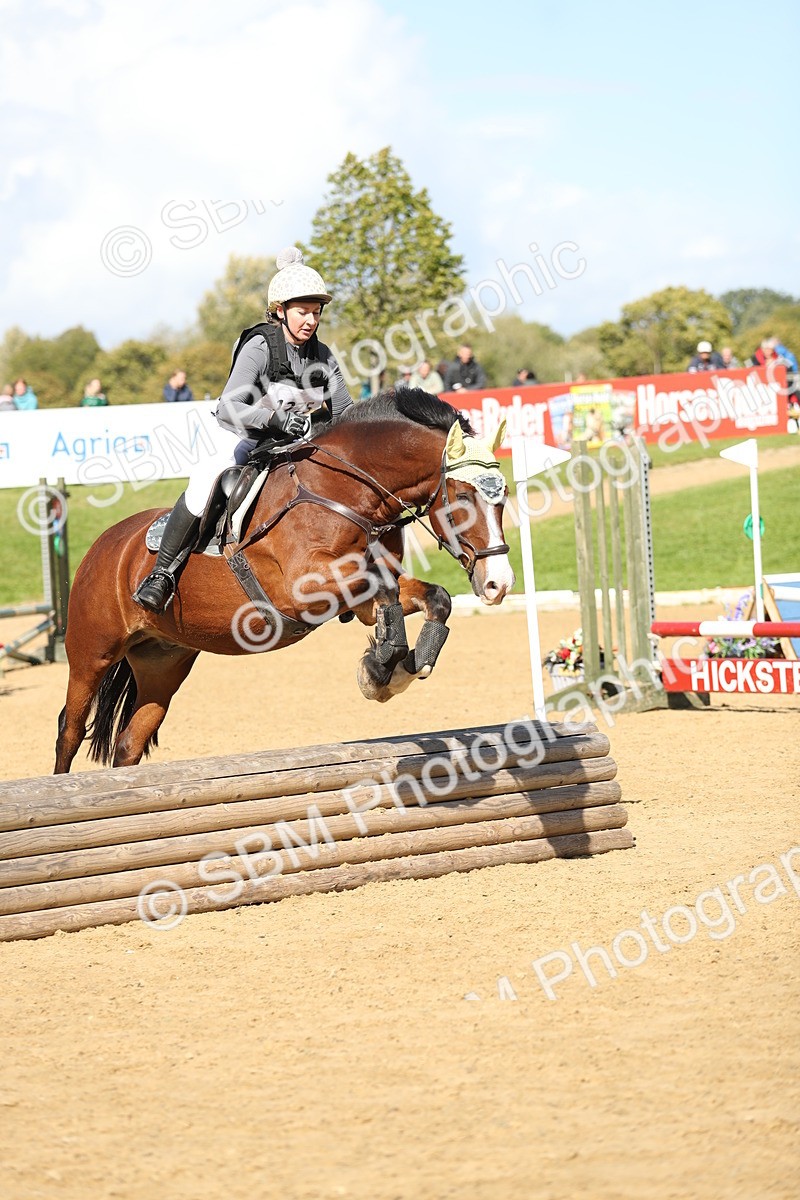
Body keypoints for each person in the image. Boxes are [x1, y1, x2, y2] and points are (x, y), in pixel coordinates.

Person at [133, 246, 353, 613]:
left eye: (316, 313)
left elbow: (346, 413)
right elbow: (229, 407)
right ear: (280, 311)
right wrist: (276, 420)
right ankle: (163, 573)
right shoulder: (260, 346)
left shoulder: (324, 357)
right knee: (206, 477)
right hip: (243, 436)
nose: (310, 321)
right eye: (302, 312)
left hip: (294, 448)